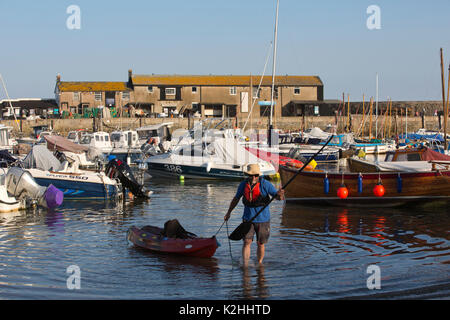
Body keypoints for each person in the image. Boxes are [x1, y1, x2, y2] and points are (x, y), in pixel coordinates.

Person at [224, 164, 284, 265]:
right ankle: (245, 265)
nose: (254, 177)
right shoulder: (243, 185)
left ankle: (260, 264)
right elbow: (236, 199)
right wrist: (228, 213)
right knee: (246, 242)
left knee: (260, 243)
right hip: (248, 220)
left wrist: (280, 194)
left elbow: (278, 198)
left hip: (263, 220)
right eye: (251, 175)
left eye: (256, 175)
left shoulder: (266, 184)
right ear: (248, 175)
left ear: (258, 175)